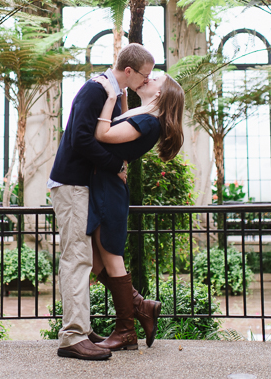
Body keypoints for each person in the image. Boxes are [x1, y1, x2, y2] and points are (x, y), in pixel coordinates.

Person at [48, 44, 154, 361]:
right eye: (144, 75)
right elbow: (80, 137)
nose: (146, 81)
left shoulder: (111, 94)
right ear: (128, 71)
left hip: (82, 186)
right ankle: (72, 337)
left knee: (87, 259)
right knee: (77, 259)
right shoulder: (94, 90)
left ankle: (83, 328)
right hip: (72, 183)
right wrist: (115, 166)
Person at [87, 72, 185, 352]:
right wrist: (122, 101)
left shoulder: (148, 121)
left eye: (154, 79)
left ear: (159, 94)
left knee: (110, 257)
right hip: (104, 185)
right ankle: (142, 307)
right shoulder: (144, 116)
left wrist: (110, 96)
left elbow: (103, 133)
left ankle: (126, 331)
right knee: (96, 263)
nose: (148, 78)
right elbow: (120, 129)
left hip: (108, 189)